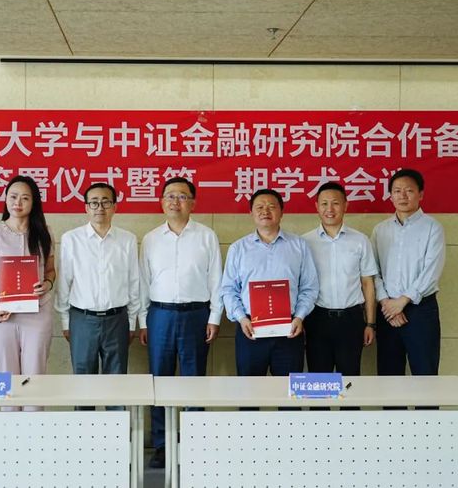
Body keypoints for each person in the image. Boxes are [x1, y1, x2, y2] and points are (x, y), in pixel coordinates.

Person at [140, 177, 223, 469]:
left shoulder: (207, 236)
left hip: (196, 315)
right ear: (162, 202)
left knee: (194, 380)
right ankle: (162, 444)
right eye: (170, 196)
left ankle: (194, 442)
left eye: (182, 196)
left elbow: (216, 279)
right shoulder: (151, 239)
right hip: (160, 315)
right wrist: (143, 321)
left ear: (193, 203)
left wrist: (215, 317)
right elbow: (143, 282)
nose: (175, 201)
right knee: (159, 381)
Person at [221, 188, 319, 378]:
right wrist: (241, 318)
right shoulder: (238, 248)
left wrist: (299, 317)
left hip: (290, 330)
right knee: (248, 391)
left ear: (281, 212)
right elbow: (228, 290)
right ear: (251, 213)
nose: (265, 211)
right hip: (250, 329)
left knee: (288, 391)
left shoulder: (299, 245)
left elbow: (309, 287)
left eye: (271, 206)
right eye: (259, 207)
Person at [55, 183, 144, 390]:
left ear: (115, 206)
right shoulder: (71, 239)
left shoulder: (127, 240)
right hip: (82, 320)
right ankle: (84, 413)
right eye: (94, 203)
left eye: (106, 202)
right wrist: (66, 322)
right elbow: (64, 282)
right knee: (83, 382)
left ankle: (116, 413)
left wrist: (131, 322)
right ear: (86, 207)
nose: (100, 208)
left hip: (117, 320)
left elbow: (134, 282)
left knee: (116, 383)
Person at [0, 175, 55, 411]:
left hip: (38, 313)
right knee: (6, 379)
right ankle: (9, 430)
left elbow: (51, 271)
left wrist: (47, 284)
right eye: (13, 197)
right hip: (3, 315)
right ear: (5, 199)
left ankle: (33, 430)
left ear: (34, 202)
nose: (18, 203)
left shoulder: (45, 232)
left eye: (25, 198)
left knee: (34, 379)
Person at [372, 168, 445, 376]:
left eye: (409, 191)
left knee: (425, 374)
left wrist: (402, 301)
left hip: (420, 310)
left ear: (420, 194)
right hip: (387, 312)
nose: (402, 196)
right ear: (391, 195)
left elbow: (432, 270)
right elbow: (373, 271)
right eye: (397, 191)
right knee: (388, 375)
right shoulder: (380, 230)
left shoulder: (433, 228)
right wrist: (386, 303)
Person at [302, 182, 377, 380]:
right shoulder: (305, 242)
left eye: (335, 203)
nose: (330, 209)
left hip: (351, 319)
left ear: (345, 205)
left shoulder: (360, 240)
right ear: (316, 207)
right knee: (319, 380)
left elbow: (368, 283)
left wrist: (370, 323)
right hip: (317, 318)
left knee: (350, 379)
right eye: (324, 203)